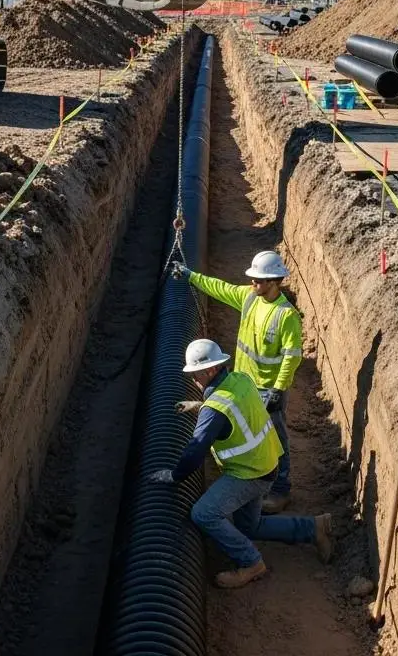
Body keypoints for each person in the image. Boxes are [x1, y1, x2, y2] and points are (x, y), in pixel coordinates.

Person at [148, 338, 332, 589]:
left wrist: (175, 476)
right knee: (249, 526)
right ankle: (314, 527)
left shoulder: (216, 409)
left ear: (211, 370)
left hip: (250, 474)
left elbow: (195, 450)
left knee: (204, 514)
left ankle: (251, 563)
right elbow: (235, 410)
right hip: (266, 463)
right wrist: (201, 406)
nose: (193, 380)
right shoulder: (240, 380)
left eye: (195, 374)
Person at [172, 251, 301, 512]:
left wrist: (278, 389)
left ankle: (280, 489)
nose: (252, 283)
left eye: (258, 280)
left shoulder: (286, 316)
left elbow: (292, 356)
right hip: (244, 382)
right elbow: (221, 288)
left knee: (274, 436)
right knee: (247, 429)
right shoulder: (250, 298)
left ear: (274, 282)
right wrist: (190, 276)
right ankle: (252, 478)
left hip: (268, 389)